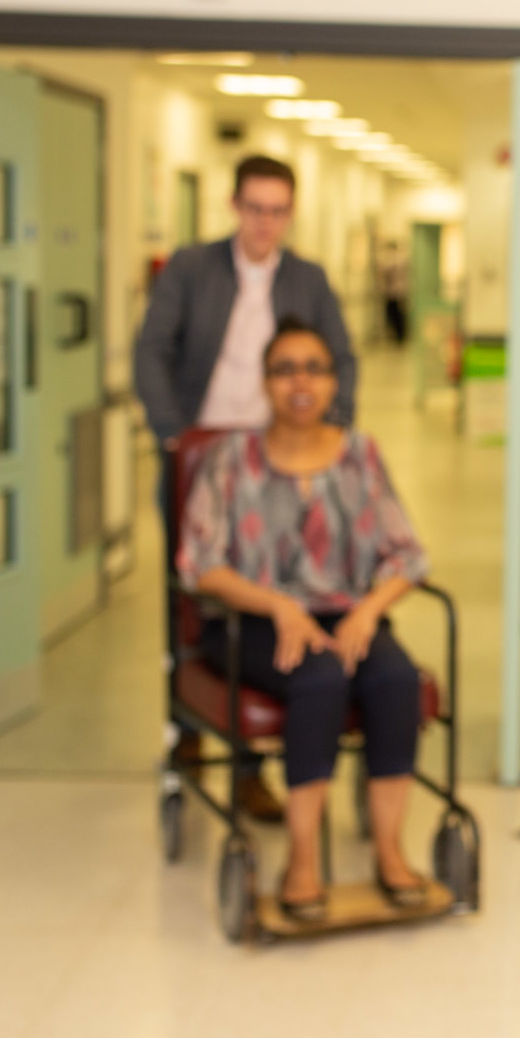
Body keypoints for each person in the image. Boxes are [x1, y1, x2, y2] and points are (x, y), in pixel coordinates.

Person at [175, 317, 432, 915]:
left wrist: (369, 612)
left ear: (332, 382)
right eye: (285, 368)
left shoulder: (361, 455)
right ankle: (304, 859)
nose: (301, 381)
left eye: (314, 368)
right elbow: (199, 564)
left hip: (345, 615)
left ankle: (390, 852)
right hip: (251, 618)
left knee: (395, 680)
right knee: (319, 679)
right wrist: (279, 605)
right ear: (265, 383)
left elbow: (409, 554)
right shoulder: (231, 459)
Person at [136, 154, 357, 822]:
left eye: (278, 210)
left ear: (291, 213)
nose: (266, 222)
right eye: (255, 208)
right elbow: (152, 350)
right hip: (202, 457)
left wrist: (330, 438)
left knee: (275, 595)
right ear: (235, 206)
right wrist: (176, 437)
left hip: (280, 464)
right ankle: (191, 732)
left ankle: (251, 764)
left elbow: (341, 358)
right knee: (195, 599)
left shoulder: (307, 280)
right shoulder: (192, 268)